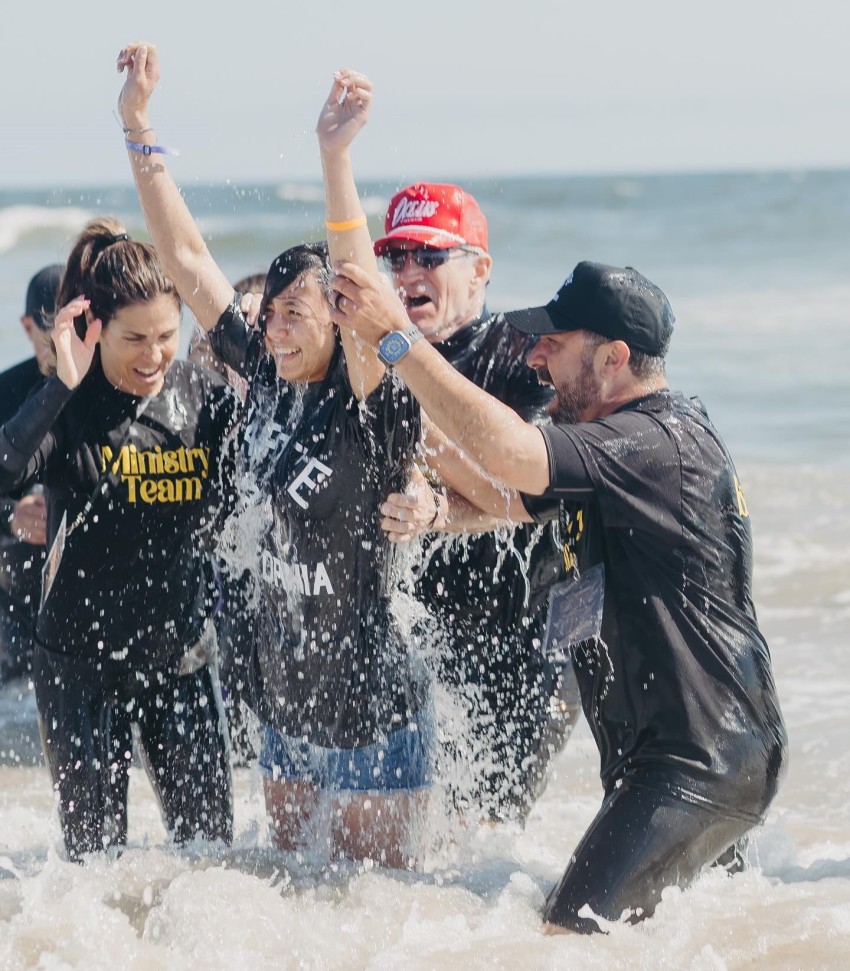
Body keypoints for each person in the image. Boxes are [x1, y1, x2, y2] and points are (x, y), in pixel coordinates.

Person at [329, 257, 788, 930]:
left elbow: (514, 454)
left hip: (696, 761)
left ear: (615, 358)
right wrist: (436, 510)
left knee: (565, 934)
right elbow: (507, 496)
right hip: (680, 757)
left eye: (557, 341)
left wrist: (399, 339)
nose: (536, 356)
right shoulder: (618, 447)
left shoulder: (654, 440)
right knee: (675, 941)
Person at [118, 44, 429, 868]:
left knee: (377, 929)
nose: (275, 325)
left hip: (373, 712)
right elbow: (187, 263)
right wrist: (138, 129)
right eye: (273, 312)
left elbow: (361, 283)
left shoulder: (371, 406)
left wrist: (336, 157)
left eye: (297, 311)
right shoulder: (264, 374)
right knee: (297, 920)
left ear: (338, 319)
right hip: (288, 710)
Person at [0, 221, 235, 861]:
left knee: (212, 857)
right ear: (93, 328)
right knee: (96, 868)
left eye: (168, 335)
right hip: (80, 666)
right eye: (135, 338)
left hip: (180, 658)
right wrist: (60, 382)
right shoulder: (67, 406)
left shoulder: (201, 399)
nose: (156, 354)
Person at [372, 183, 579, 822]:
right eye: (396, 257)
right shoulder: (377, 354)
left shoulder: (527, 356)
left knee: (487, 834)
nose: (408, 273)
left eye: (428, 257)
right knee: (404, 830)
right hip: (422, 629)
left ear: (480, 269)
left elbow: (529, 494)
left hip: (529, 630)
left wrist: (432, 498)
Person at [0, 266, 61, 684]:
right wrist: (11, 515)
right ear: (28, 325)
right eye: (54, 333)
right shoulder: (6, 391)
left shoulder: (105, 390)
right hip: (13, 587)